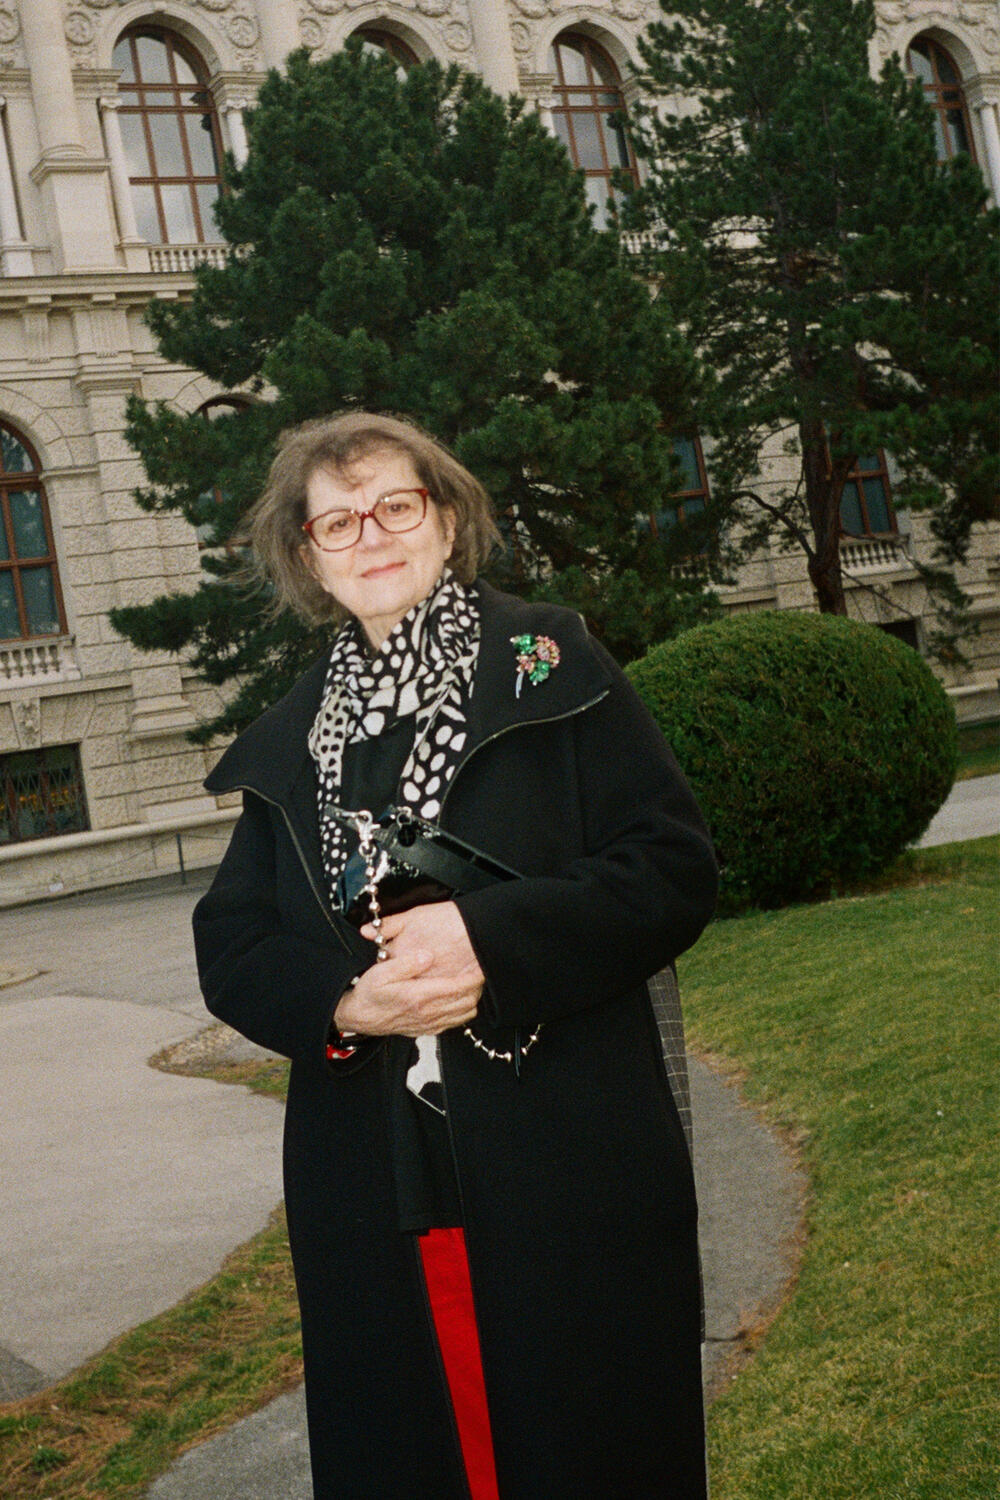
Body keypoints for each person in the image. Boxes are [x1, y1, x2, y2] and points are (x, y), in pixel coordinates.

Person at [193, 411, 718, 1500]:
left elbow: (669, 866)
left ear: (444, 516)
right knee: (416, 1451)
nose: (369, 535)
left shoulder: (547, 665)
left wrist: (489, 937)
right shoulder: (291, 740)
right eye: (336, 521)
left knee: (589, 1447)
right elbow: (231, 942)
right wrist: (344, 1004)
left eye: (395, 504)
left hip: (564, 1160)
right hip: (374, 1185)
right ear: (306, 556)